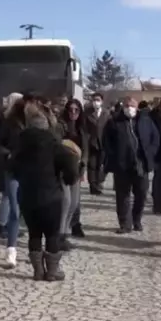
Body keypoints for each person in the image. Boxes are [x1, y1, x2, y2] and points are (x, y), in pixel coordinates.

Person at [10, 105, 78, 281]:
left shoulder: (21, 147)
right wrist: (68, 179)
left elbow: (11, 168)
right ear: (46, 126)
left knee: (34, 233)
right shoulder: (54, 145)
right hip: (51, 196)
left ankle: (38, 271)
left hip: (28, 196)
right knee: (52, 234)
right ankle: (52, 271)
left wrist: (22, 177)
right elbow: (71, 160)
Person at [103, 96, 159, 233]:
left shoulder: (145, 121)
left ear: (137, 106)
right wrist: (113, 156)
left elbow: (155, 138)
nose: (129, 108)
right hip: (122, 164)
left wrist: (150, 154)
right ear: (123, 107)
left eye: (132, 105)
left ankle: (136, 220)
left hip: (140, 164)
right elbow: (106, 141)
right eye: (127, 105)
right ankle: (125, 224)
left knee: (141, 193)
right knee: (122, 195)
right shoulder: (114, 121)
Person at [0, 92, 22, 241]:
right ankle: (1, 227)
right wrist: (7, 153)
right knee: (8, 196)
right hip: (8, 161)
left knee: (10, 196)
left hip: (8, 159)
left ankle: (7, 225)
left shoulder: (4, 117)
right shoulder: (6, 119)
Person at [58, 99, 88, 250]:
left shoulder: (82, 128)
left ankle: (66, 233)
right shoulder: (61, 126)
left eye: (77, 110)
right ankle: (59, 236)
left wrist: (83, 168)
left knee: (74, 204)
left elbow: (85, 150)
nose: (73, 113)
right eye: (71, 110)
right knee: (66, 202)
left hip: (76, 170)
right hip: (63, 170)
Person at [84, 93, 110, 195]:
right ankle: (93, 186)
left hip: (103, 143)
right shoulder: (87, 113)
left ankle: (99, 182)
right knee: (92, 166)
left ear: (102, 101)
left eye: (98, 100)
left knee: (101, 166)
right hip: (92, 143)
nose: (96, 102)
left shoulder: (106, 113)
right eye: (94, 100)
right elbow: (85, 129)